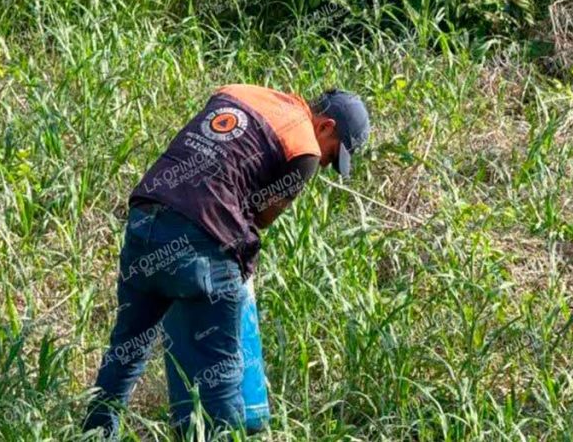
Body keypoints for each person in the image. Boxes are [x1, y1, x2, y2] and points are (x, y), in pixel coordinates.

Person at [82, 84, 371, 438]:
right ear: (326, 127)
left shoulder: (241, 92)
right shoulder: (306, 148)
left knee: (127, 351)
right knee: (222, 379)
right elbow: (263, 215)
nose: (325, 164)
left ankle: (93, 435)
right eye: (333, 155)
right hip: (203, 238)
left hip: (145, 218)